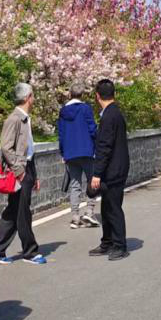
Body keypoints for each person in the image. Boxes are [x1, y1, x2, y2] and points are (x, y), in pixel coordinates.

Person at [0, 83, 45, 266]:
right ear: (28, 97)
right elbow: (6, 147)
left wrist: (33, 175)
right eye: (33, 96)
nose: (34, 99)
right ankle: (30, 251)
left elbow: (29, 151)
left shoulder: (25, 119)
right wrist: (20, 173)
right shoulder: (14, 119)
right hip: (18, 172)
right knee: (22, 213)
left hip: (25, 170)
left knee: (14, 210)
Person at [89, 78, 131, 260]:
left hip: (113, 170)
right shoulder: (115, 113)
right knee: (106, 207)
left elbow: (104, 146)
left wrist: (96, 173)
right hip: (116, 167)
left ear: (98, 96)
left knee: (113, 208)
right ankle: (107, 242)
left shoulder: (109, 116)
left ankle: (120, 245)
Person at [57, 85, 100, 229]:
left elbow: (61, 134)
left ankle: (75, 216)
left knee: (75, 184)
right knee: (91, 182)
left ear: (70, 94)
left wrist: (63, 152)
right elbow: (92, 129)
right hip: (86, 151)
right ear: (81, 94)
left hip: (70, 153)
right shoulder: (85, 109)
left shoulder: (63, 111)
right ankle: (89, 211)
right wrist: (96, 145)